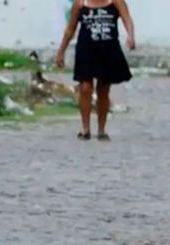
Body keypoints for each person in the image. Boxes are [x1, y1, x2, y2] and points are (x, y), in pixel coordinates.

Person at [56, 0, 135, 141]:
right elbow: (70, 29)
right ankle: (85, 129)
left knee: (103, 89)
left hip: (108, 50)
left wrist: (130, 36)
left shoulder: (116, 2)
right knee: (85, 88)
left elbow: (127, 19)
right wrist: (61, 51)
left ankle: (101, 129)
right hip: (86, 50)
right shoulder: (80, 4)